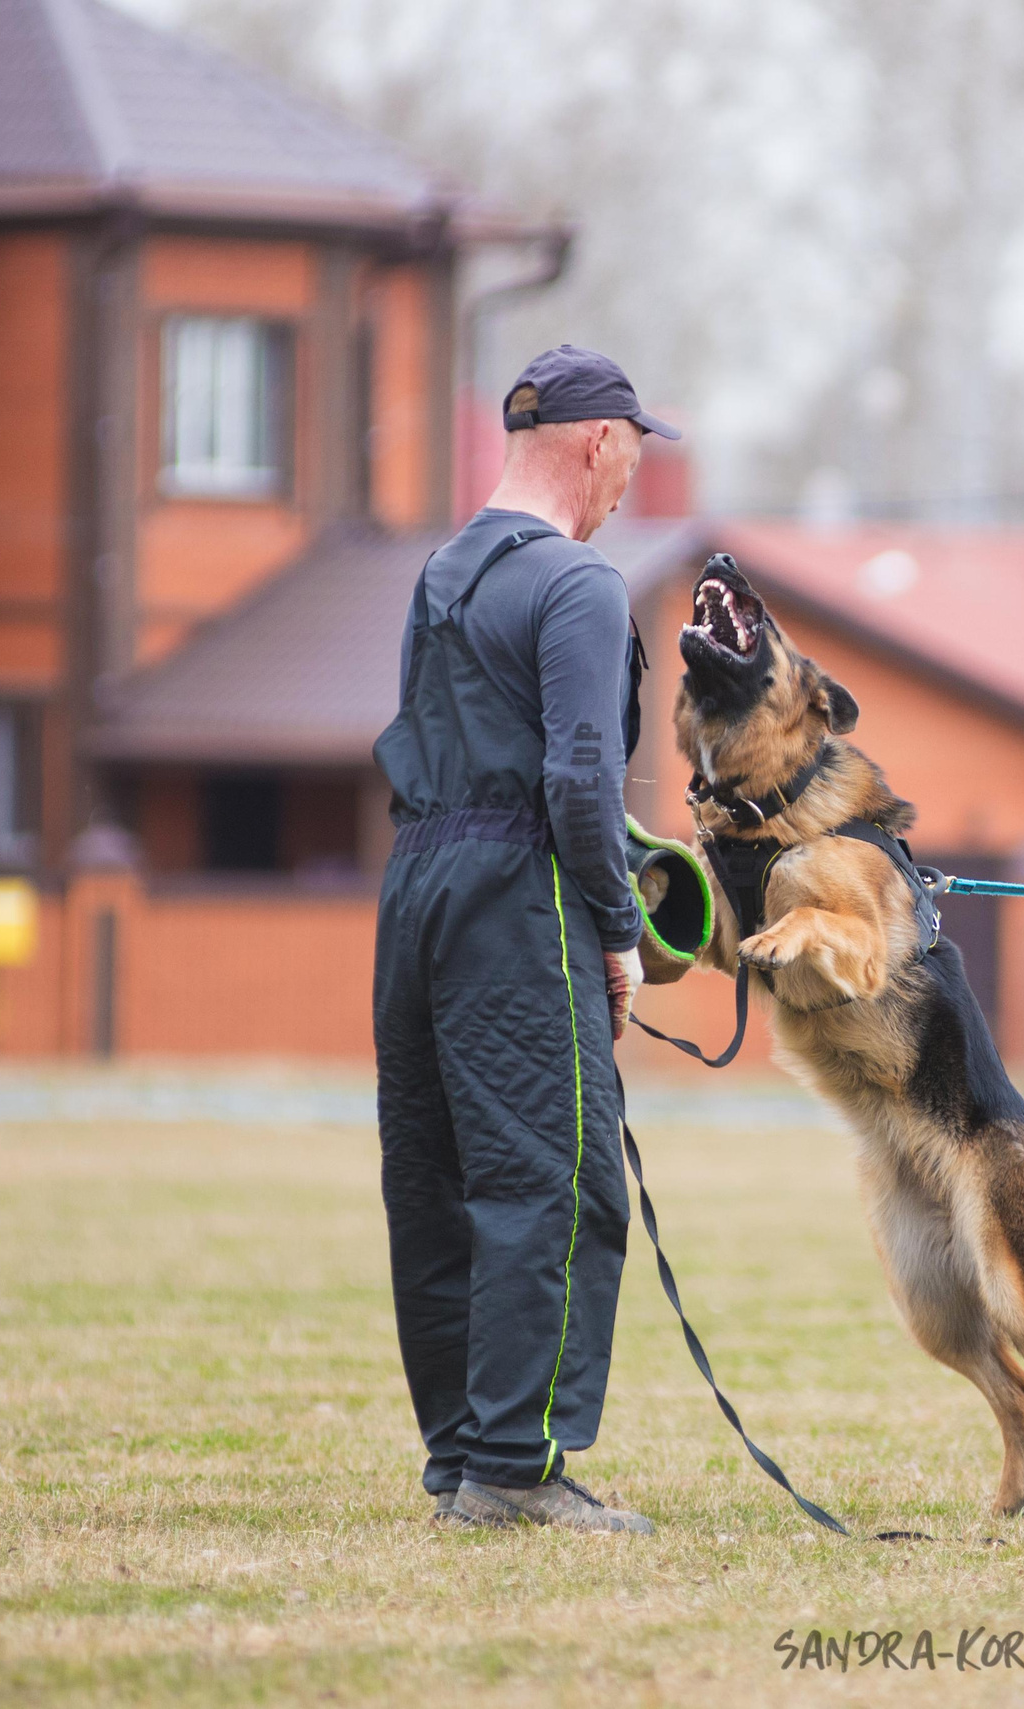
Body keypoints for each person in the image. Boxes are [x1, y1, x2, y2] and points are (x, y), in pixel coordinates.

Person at [371, 346, 679, 1532]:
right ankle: (515, 1466)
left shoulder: (441, 570)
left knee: (434, 1174)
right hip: (516, 892)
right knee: (553, 1178)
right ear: (598, 443)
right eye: (631, 459)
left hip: (415, 886)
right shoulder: (580, 584)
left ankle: (461, 1455)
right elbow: (580, 775)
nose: (626, 488)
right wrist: (618, 928)